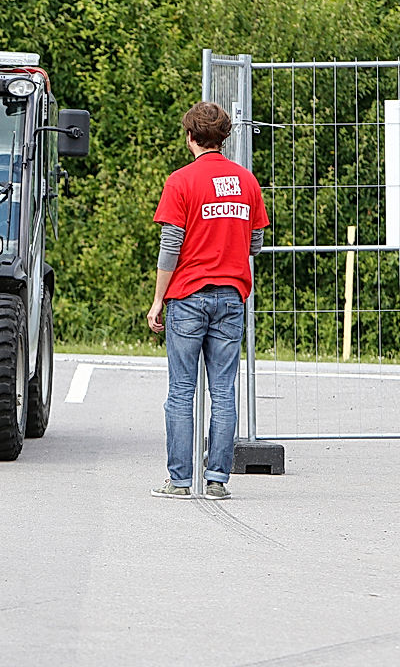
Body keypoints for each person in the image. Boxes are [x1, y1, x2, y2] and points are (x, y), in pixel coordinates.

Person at [146, 101, 268, 500]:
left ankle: (179, 481)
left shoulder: (181, 181)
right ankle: (216, 479)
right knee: (224, 390)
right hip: (231, 296)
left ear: (190, 137)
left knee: (182, 390)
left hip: (188, 297)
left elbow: (170, 246)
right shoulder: (246, 181)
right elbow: (256, 243)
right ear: (224, 137)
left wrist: (157, 299)